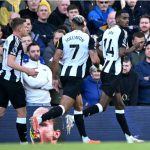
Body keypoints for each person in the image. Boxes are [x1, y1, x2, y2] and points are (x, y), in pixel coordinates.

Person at [30, 15, 100, 143]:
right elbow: (95, 60)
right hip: (76, 77)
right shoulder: (88, 38)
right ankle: (38, 119)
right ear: (83, 25)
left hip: (65, 74)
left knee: (78, 106)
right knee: (63, 108)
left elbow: (55, 59)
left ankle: (85, 139)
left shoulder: (64, 38)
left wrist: (55, 78)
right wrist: (99, 66)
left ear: (72, 25)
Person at [82, 10, 144, 143]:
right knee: (102, 106)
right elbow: (122, 53)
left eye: (128, 18)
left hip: (107, 70)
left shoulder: (107, 31)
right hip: (114, 73)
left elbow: (97, 46)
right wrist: (135, 47)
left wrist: (107, 58)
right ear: (116, 19)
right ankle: (78, 117)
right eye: (124, 18)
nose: (127, 20)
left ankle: (129, 137)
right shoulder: (122, 32)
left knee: (120, 105)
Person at [0, 18, 38, 143]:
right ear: (19, 28)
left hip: (3, 79)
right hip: (12, 81)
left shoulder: (9, 39)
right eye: (25, 26)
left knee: (1, 111)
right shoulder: (15, 40)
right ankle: (24, 143)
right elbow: (10, 62)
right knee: (22, 113)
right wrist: (28, 70)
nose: (27, 28)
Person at [134, 41, 150, 105]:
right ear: (145, 50)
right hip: (143, 102)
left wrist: (147, 78)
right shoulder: (138, 66)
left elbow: (142, 80)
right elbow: (139, 82)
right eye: (148, 48)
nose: (149, 51)